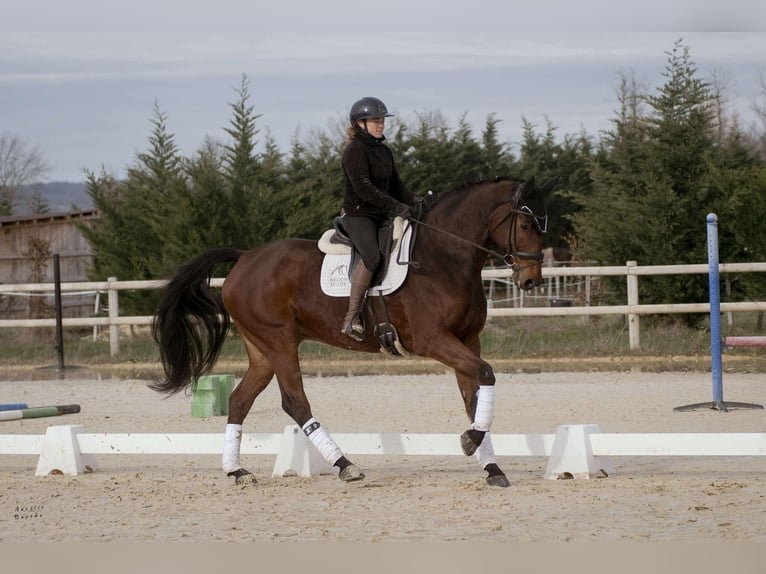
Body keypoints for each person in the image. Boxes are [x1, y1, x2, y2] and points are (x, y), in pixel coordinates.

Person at [340, 96, 420, 342]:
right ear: (360, 123)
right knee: (373, 256)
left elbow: (396, 186)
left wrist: (415, 202)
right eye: (375, 120)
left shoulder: (384, 151)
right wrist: (396, 206)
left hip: (382, 213)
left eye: (382, 120)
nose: (381, 124)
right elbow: (364, 188)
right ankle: (352, 317)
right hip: (358, 215)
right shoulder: (354, 151)